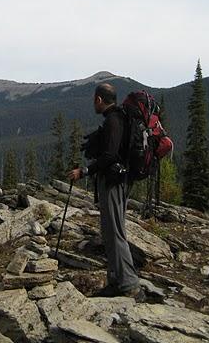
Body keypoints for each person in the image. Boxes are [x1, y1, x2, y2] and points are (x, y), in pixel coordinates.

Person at [67, 82, 142, 299]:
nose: (93, 103)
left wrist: (84, 171)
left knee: (114, 231)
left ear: (99, 99)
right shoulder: (118, 118)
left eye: (94, 99)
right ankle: (117, 281)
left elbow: (110, 156)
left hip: (114, 182)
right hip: (118, 180)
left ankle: (129, 284)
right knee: (111, 231)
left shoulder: (113, 120)